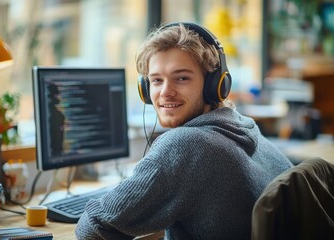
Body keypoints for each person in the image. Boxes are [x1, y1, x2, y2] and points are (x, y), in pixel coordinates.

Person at [75, 22, 293, 240]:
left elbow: (93, 228)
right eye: (156, 80)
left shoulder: (186, 145)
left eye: (181, 78)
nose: (166, 92)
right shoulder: (244, 129)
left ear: (215, 85)